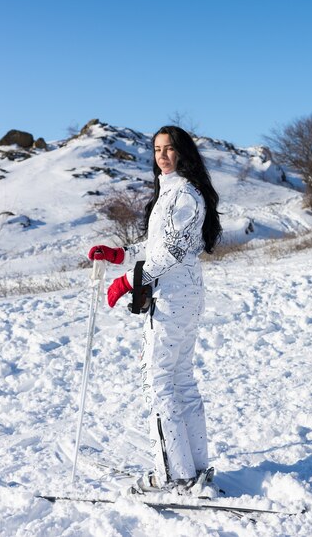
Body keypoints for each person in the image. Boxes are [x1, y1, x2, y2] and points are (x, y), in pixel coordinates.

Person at [88, 125, 222, 495]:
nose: (162, 155)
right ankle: (192, 467)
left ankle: (173, 476)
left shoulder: (184, 197)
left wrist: (127, 282)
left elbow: (170, 254)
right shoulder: (173, 193)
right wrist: (121, 256)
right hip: (182, 294)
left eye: (169, 149)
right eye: (157, 149)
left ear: (184, 153)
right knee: (180, 379)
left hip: (175, 298)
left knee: (160, 381)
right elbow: (157, 244)